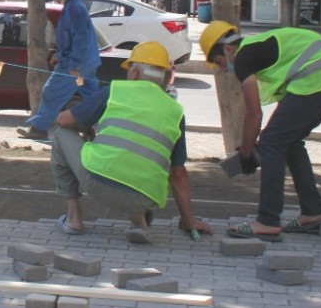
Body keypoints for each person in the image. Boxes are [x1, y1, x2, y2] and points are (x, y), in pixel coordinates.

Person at [202, 21, 321, 240]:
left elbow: (254, 114)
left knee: (271, 141)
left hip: (319, 77)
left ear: (228, 49)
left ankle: (267, 221)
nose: (224, 69)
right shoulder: (261, 51)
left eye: (220, 62)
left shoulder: (244, 56)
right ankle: (313, 212)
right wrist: (248, 147)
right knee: (289, 140)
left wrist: (245, 153)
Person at [50, 42, 212, 243]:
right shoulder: (175, 111)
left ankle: (74, 219)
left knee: (61, 133)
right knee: (145, 167)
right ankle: (139, 220)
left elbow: (63, 120)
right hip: (145, 197)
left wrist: (88, 130)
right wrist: (189, 221)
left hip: (99, 183)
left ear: (134, 73)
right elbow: (178, 173)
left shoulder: (116, 90)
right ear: (165, 77)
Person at [18, 0, 100, 139]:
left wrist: (74, 65)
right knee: (92, 97)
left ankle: (38, 128)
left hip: (75, 66)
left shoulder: (74, 9)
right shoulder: (74, 7)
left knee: (52, 91)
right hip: (87, 64)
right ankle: (96, 127)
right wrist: (60, 54)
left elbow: (80, 40)